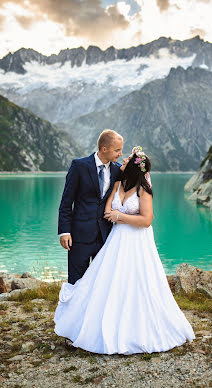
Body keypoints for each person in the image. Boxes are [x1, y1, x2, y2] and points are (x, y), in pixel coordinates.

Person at [54, 146, 196, 355]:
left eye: (128, 158)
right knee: (108, 281)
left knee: (136, 282)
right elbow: (108, 207)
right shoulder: (119, 182)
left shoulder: (143, 189)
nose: (123, 159)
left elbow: (146, 220)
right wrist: (111, 214)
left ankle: (135, 329)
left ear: (134, 167)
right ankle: (97, 323)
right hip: (116, 240)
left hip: (137, 241)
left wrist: (120, 217)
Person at [57, 129, 123, 349]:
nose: (119, 154)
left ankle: (96, 329)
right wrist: (64, 231)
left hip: (106, 237)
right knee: (76, 282)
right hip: (79, 236)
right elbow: (67, 202)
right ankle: (71, 331)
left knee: (102, 283)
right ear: (103, 148)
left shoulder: (117, 170)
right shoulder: (79, 166)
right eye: (117, 150)